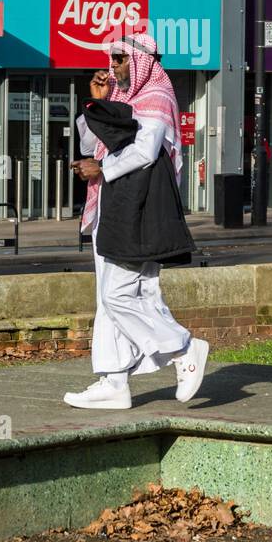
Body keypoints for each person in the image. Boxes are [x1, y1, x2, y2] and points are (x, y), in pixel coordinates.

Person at [64, 30, 209, 411]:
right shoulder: (121, 97)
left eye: (119, 59)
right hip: (110, 205)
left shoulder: (155, 98)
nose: (112, 67)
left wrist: (102, 168)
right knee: (111, 296)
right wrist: (94, 106)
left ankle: (182, 348)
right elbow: (86, 144)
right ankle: (114, 380)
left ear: (140, 59)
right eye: (111, 59)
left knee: (124, 294)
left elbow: (144, 152)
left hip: (138, 209)